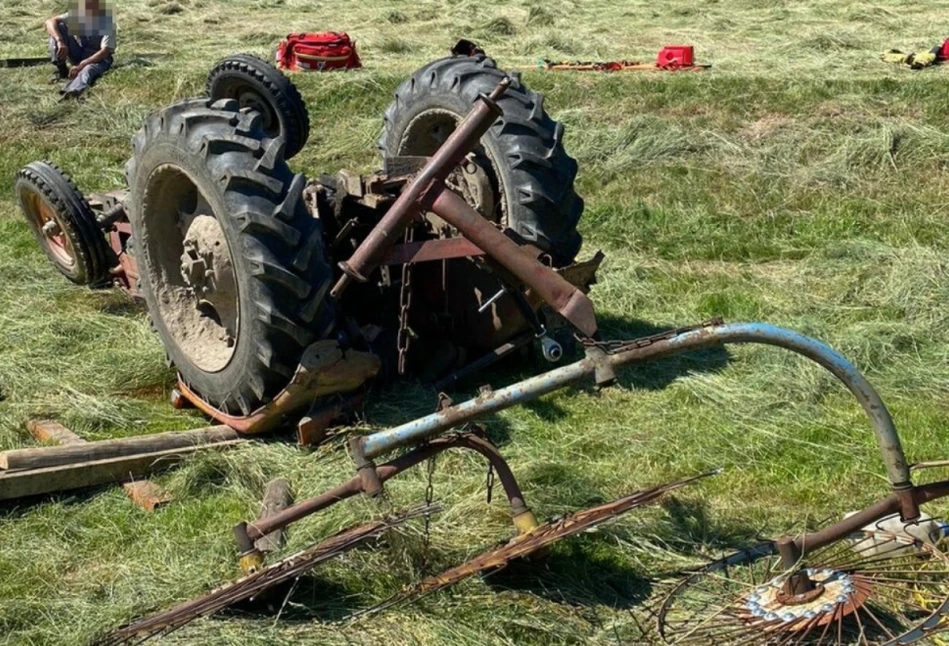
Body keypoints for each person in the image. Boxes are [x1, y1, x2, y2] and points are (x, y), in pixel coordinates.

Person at [44, 1, 116, 99]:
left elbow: (105, 51)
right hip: (80, 53)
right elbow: (50, 21)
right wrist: (60, 41)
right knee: (59, 27)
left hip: (99, 59)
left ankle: (74, 90)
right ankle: (62, 70)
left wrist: (82, 64)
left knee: (88, 70)